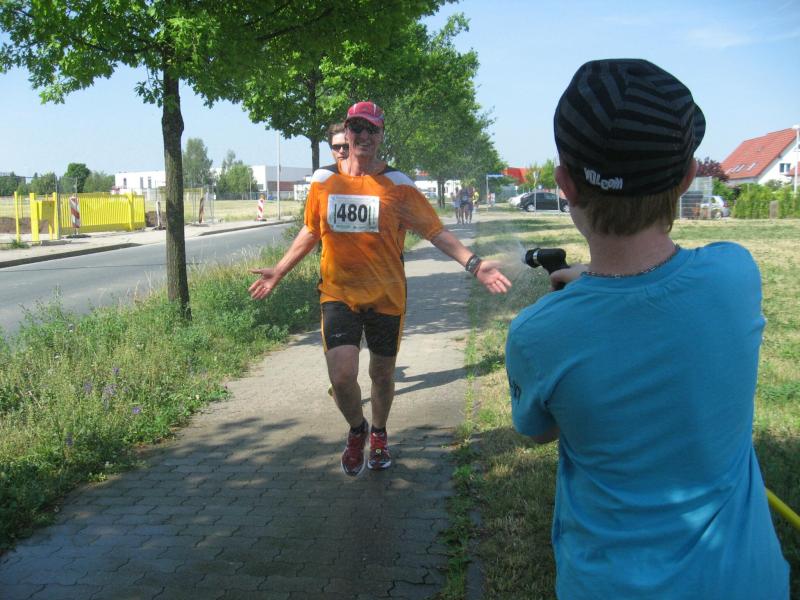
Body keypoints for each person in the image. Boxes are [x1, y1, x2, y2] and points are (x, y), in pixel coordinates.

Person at [506, 59, 789, 599]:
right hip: (747, 582)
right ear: (686, 178)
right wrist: (602, 281)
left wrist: (587, 289)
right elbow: (660, 287)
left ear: (565, 185)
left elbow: (539, 431)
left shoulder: (537, 335)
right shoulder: (736, 274)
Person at [250, 100, 511, 477]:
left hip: (387, 297)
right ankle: (357, 430)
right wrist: (278, 270)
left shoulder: (398, 185)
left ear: (381, 136)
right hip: (338, 294)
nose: (364, 135)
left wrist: (474, 264)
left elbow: (434, 231)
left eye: (372, 129)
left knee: (382, 375)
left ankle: (380, 433)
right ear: (347, 132)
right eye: (357, 128)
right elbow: (311, 229)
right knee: (342, 376)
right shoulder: (323, 181)